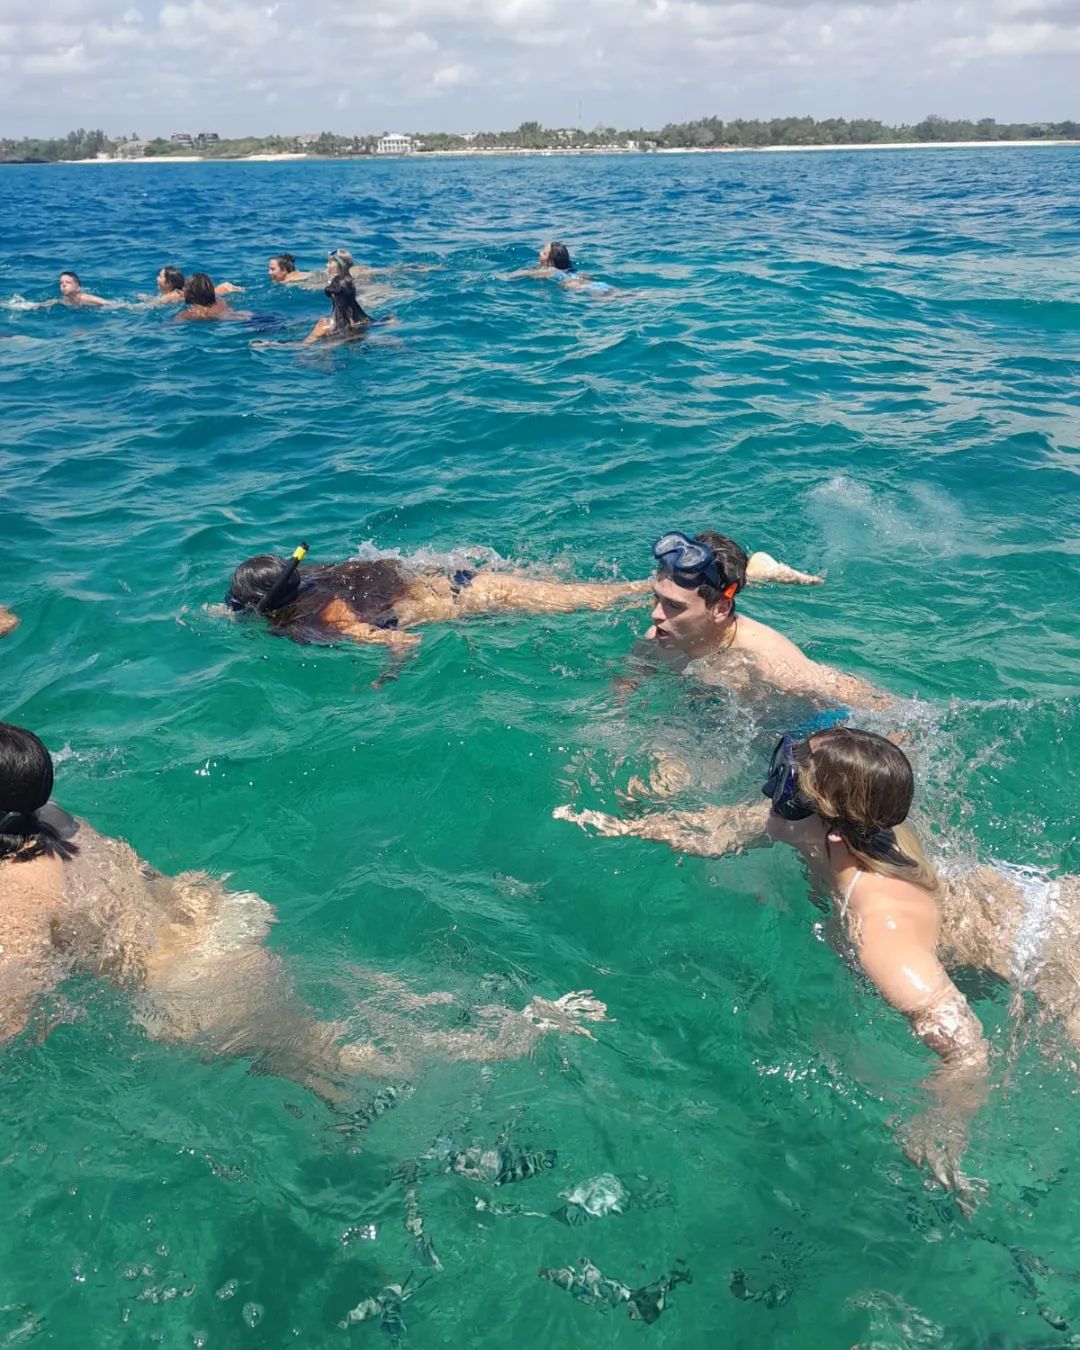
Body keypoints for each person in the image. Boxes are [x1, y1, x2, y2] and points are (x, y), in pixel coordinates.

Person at [556, 726, 1080, 1209]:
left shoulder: (879, 929)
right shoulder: (841, 829)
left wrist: (937, 1128)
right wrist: (620, 826)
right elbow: (730, 828)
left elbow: (967, 1051)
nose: (768, 795)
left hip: (1050, 951)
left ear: (831, 828)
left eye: (786, 789)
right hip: (1027, 901)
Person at [0, 723, 610, 1099]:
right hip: (216, 929)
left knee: (345, 1062)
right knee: (322, 1067)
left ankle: (513, 1041)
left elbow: (16, 1011)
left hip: (194, 991)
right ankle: (501, 1037)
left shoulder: (17, 888)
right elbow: (142, 880)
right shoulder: (59, 820)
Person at [225, 547, 653, 649]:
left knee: (597, 600)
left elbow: (405, 641)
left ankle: (659, 589)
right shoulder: (319, 576)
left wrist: (385, 675)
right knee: (577, 590)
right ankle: (652, 588)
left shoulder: (323, 619)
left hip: (469, 602)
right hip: (454, 577)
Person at [643, 530, 885, 710]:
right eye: (657, 598)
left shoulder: (767, 660)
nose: (655, 614)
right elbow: (630, 678)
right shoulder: (658, 637)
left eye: (674, 606)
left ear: (720, 608)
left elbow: (878, 705)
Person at [512, 242, 613, 297]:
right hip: (599, 285)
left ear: (550, 262)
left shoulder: (550, 271)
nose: (540, 253)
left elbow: (522, 274)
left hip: (589, 290)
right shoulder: (573, 271)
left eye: (544, 253)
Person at [302, 273, 373, 344]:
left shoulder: (325, 325)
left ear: (333, 295)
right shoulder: (364, 321)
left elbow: (305, 345)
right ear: (354, 294)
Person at [175, 272, 249, 322]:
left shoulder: (189, 313)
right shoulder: (221, 301)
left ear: (191, 293)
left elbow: (172, 325)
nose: (183, 289)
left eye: (185, 287)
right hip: (239, 316)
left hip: (225, 321)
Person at [152, 267, 243, 304]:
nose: (157, 278)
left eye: (160, 277)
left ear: (169, 284)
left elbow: (152, 305)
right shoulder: (183, 291)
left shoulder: (172, 295)